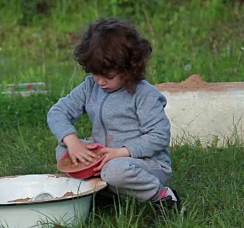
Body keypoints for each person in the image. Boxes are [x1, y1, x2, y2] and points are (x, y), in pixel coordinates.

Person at [47, 17, 181, 215]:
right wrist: (72, 140)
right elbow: (58, 112)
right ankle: (104, 194)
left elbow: (159, 136)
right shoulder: (90, 87)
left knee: (115, 170)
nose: (100, 82)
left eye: (108, 76)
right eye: (95, 73)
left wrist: (120, 153)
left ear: (129, 68)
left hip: (144, 163)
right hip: (106, 156)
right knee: (64, 148)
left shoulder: (144, 95)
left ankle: (165, 198)